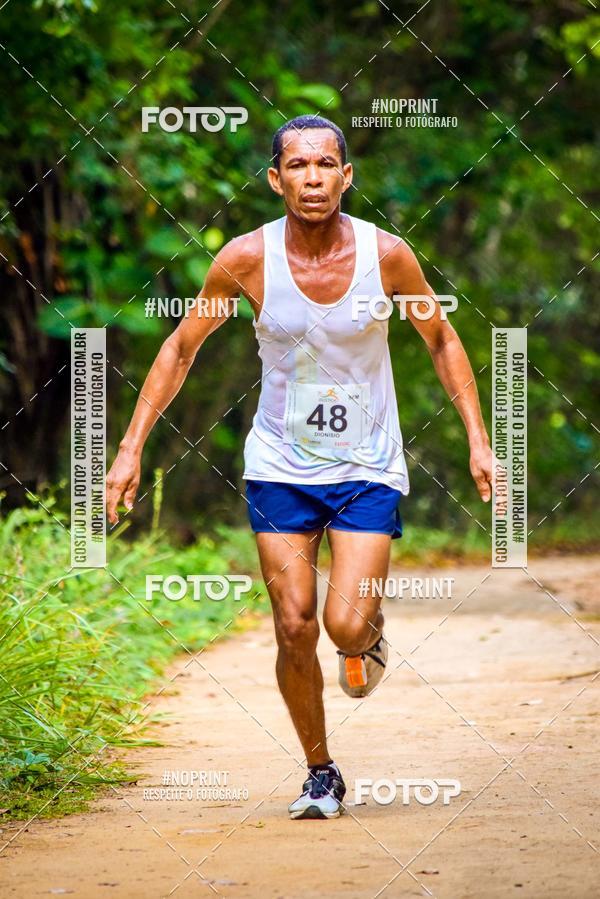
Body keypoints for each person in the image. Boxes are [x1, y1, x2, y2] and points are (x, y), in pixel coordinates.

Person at [106, 115, 493, 820]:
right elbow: (179, 348)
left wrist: (479, 439)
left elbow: (440, 338)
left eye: (326, 165)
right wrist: (130, 447)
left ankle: (368, 633)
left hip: (366, 465)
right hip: (279, 464)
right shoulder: (246, 259)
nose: (312, 178)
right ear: (276, 178)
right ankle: (321, 770)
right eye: (298, 165)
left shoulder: (389, 255)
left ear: (347, 176)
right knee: (293, 623)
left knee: (345, 624)